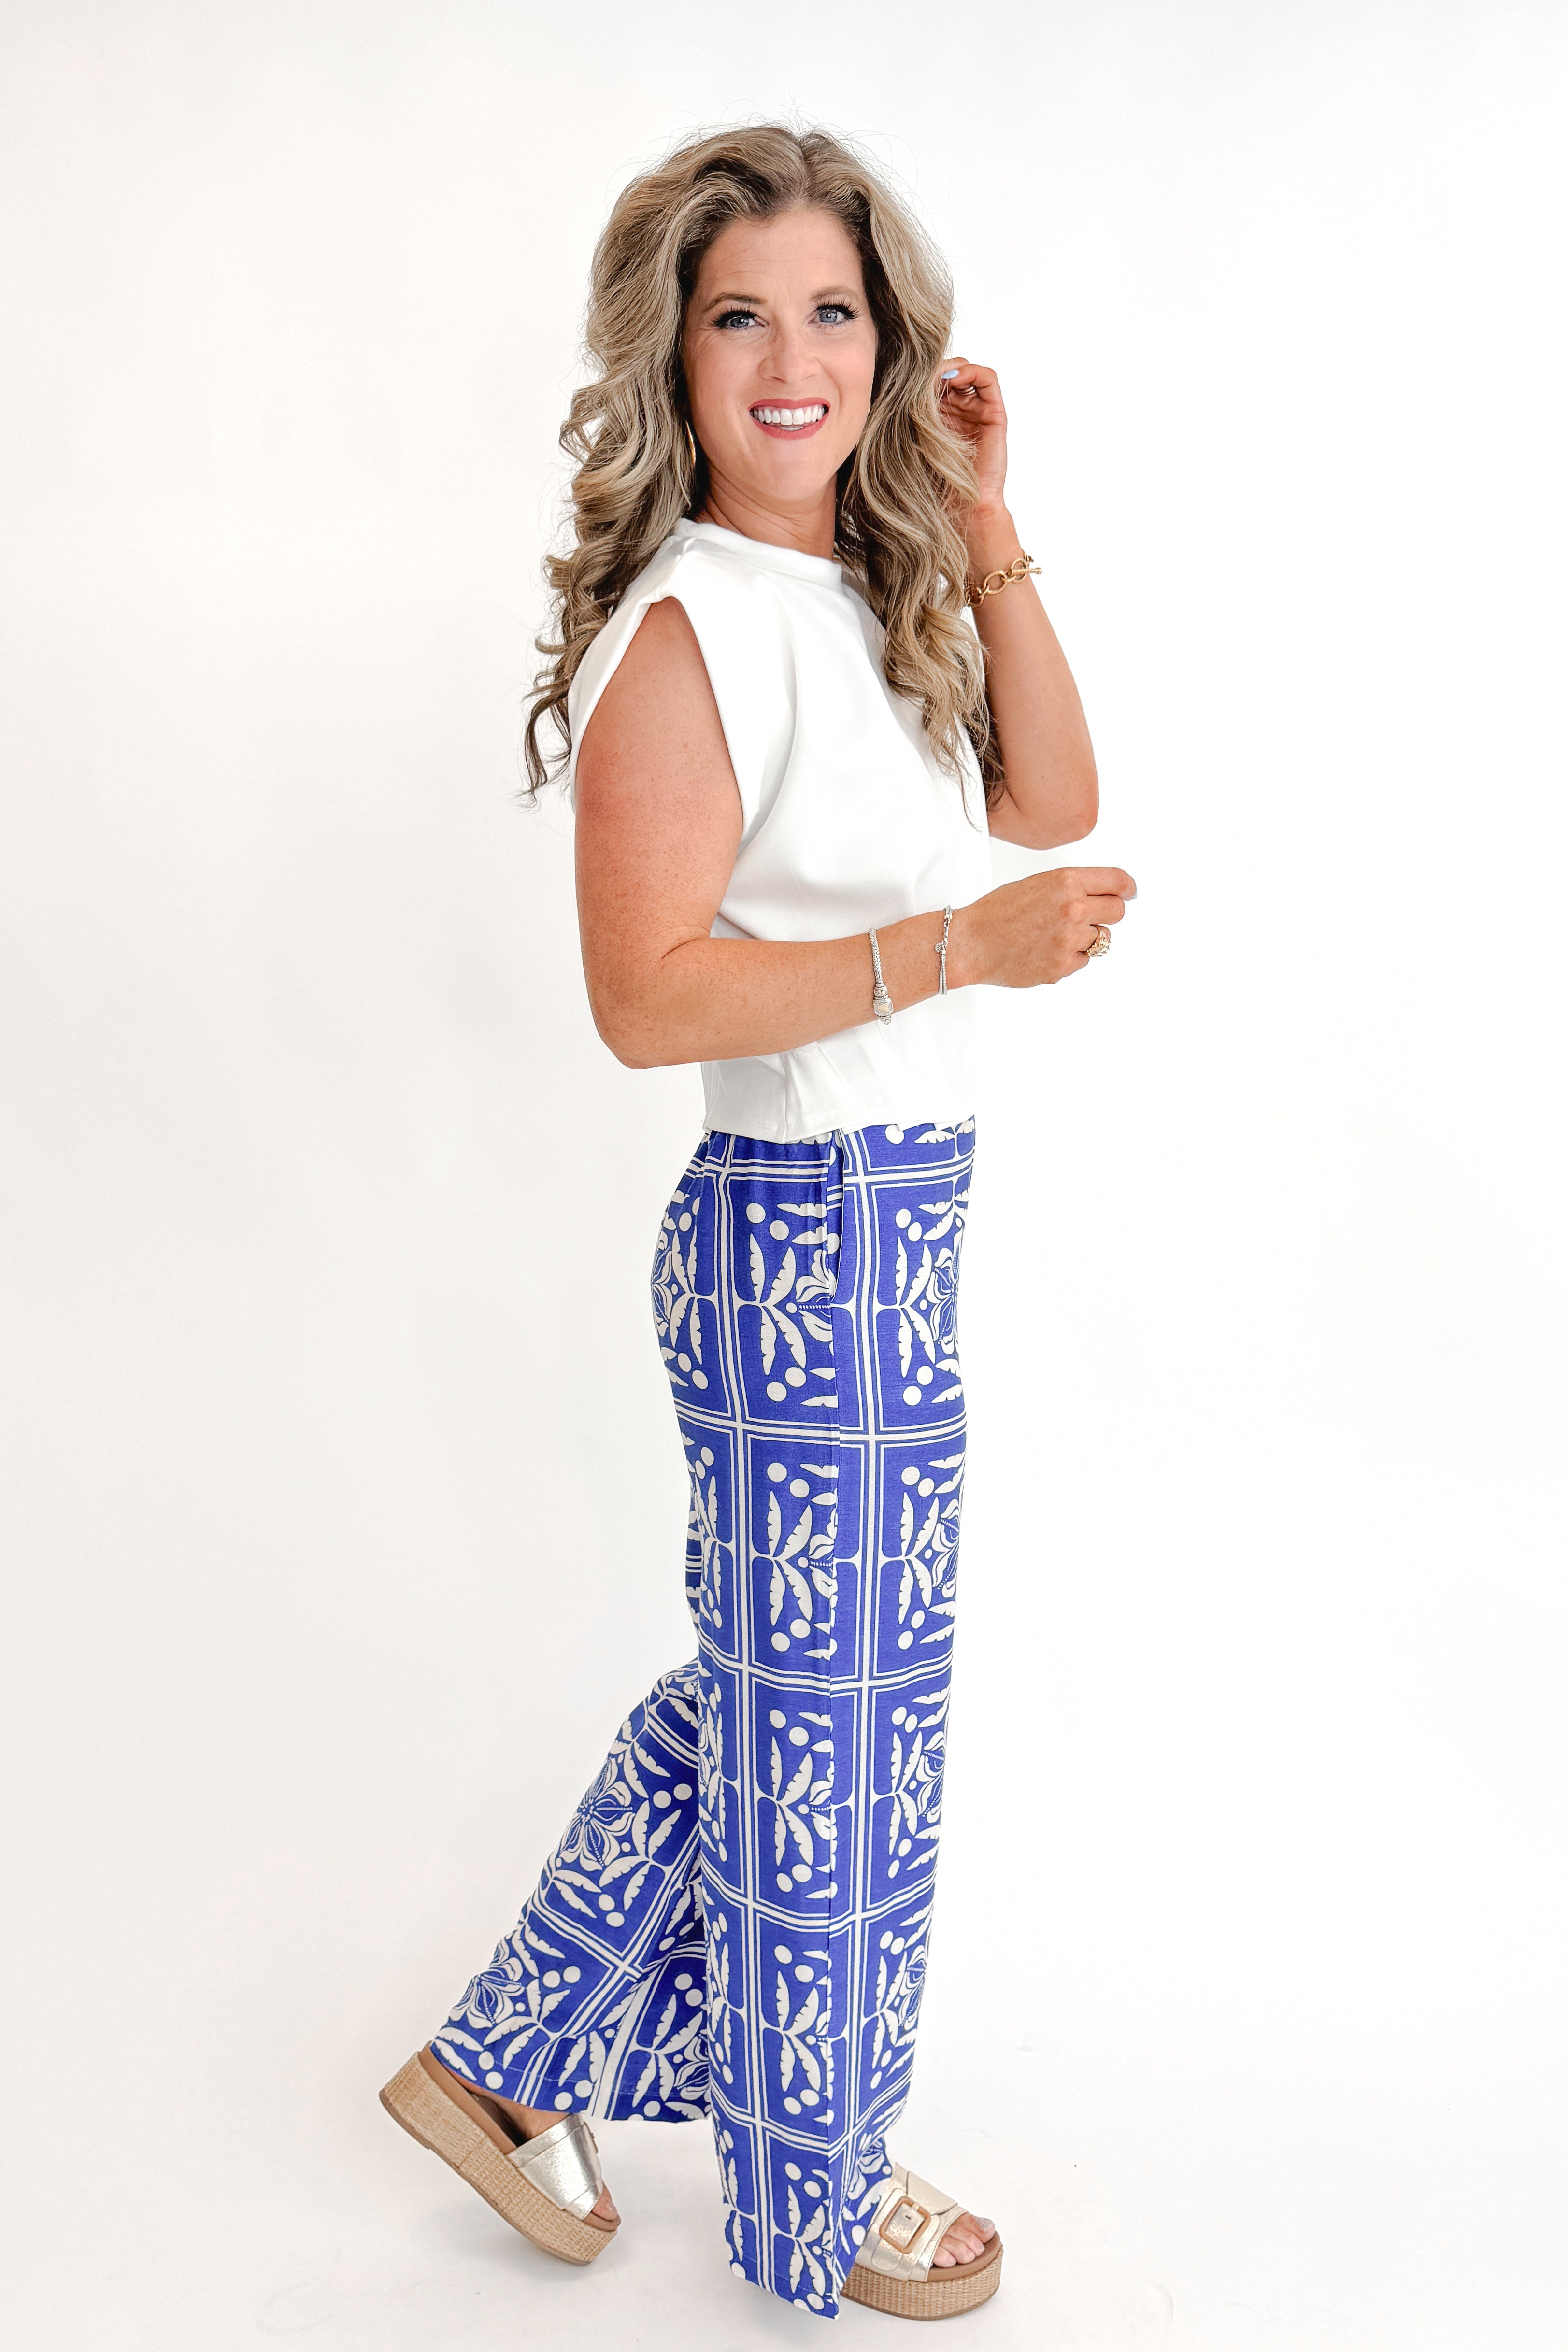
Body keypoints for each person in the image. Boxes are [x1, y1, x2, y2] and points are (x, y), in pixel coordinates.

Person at [380, 122, 1133, 2323]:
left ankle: (502, 2065)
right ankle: (820, 2201)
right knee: (831, 1733)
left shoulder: (849, 592)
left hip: (892, 1222)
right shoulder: (689, 629)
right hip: (800, 1228)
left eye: (831, 310)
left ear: (887, 342)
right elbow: (648, 998)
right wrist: (955, 961)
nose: (790, 358)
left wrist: (986, 529)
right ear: (674, 358)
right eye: (740, 317)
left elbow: (1051, 799)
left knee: (805, 1697)